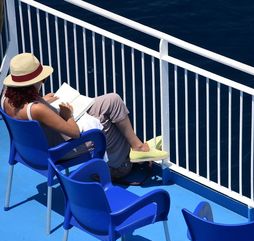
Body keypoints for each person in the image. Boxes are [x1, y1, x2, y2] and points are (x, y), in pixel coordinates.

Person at [1, 53, 166, 179]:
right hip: (58, 149)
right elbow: (74, 133)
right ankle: (120, 167)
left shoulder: (6, 99)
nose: (42, 83)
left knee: (112, 100)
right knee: (102, 125)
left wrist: (43, 100)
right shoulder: (37, 109)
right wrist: (68, 115)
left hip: (33, 147)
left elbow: (26, 113)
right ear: (30, 85)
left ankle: (137, 146)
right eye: (41, 80)